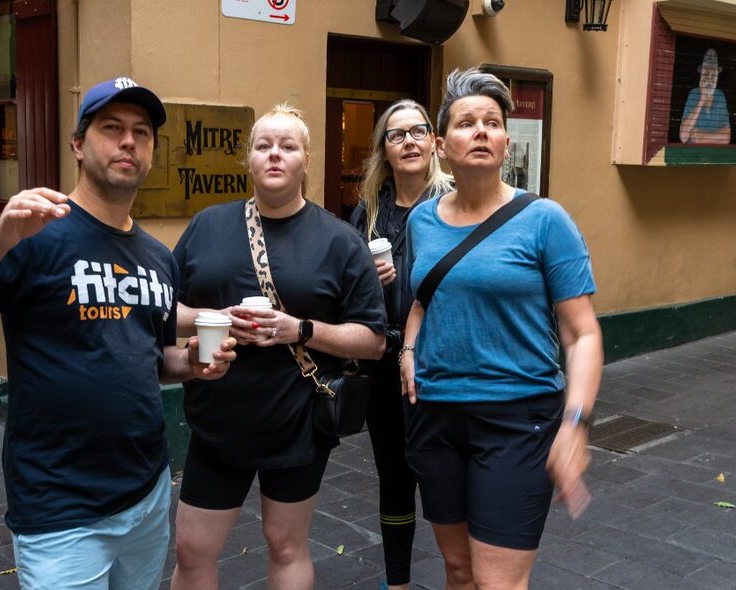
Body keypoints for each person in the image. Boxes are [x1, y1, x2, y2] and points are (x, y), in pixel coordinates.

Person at [0, 77, 237, 590]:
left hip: (146, 494)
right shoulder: (35, 232)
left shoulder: (158, 258)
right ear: (79, 145)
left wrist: (191, 366)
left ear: (151, 152)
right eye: (112, 128)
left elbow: (154, 359)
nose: (129, 141)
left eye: (142, 133)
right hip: (60, 508)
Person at [399, 68, 603, 590]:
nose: (482, 131)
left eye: (493, 122)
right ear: (442, 146)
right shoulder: (422, 221)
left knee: (497, 582)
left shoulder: (545, 220)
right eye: (467, 123)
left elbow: (582, 334)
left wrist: (575, 423)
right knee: (458, 571)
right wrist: (408, 346)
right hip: (435, 415)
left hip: (516, 418)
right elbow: (427, 295)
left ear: (507, 141)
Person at [170, 104, 386, 590]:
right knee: (192, 549)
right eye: (264, 145)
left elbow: (373, 341)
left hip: (297, 424)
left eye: (287, 146)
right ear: (248, 159)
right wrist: (214, 319)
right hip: (217, 420)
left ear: (305, 159)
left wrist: (300, 330)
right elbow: (165, 309)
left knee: (286, 546)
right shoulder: (207, 226)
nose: (275, 155)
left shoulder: (340, 241)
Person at [348, 99, 453, 590]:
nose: (409, 141)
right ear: (384, 151)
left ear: (435, 142)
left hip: (446, 364)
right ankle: (398, 584)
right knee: (394, 479)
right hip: (383, 366)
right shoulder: (367, 214)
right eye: (397, 135)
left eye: (419, 131)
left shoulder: (457, 203)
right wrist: (367, 280)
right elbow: (340, 291)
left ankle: (468, 574)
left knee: (450, 481)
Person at [680, 48, 731, 144]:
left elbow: (726, 137)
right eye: (706, 71)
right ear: (701, 73)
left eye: (713, 71)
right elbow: (683, 136)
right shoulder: (694, 94)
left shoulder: (720, 96)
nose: (709, 76)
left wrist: (700, 136)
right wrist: (702, 100)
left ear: (717, 75)